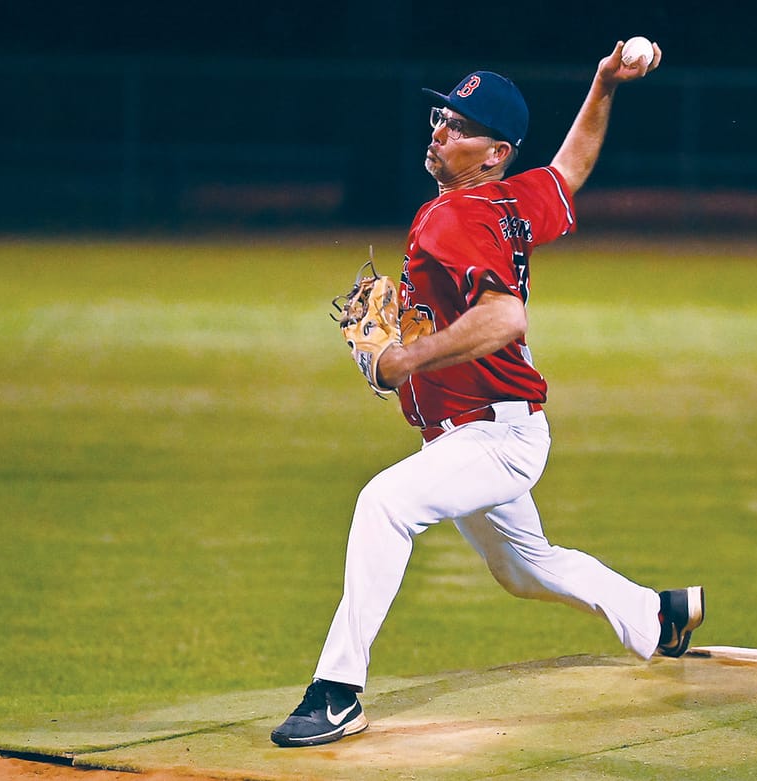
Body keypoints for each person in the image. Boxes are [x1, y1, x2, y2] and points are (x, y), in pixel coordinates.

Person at [271, 39, 704, 748]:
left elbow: (506, 316)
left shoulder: (455, 215)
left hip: (492, 435)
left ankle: (336, 691)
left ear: (494, 151)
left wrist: (406, 359)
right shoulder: (511, 198)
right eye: (441, 115)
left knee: (383, 503)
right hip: (491, 430)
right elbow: (571, 168)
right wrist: (603, 83)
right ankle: (658, 615)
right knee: (525, 567)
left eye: (459, 126)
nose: (440, 130)